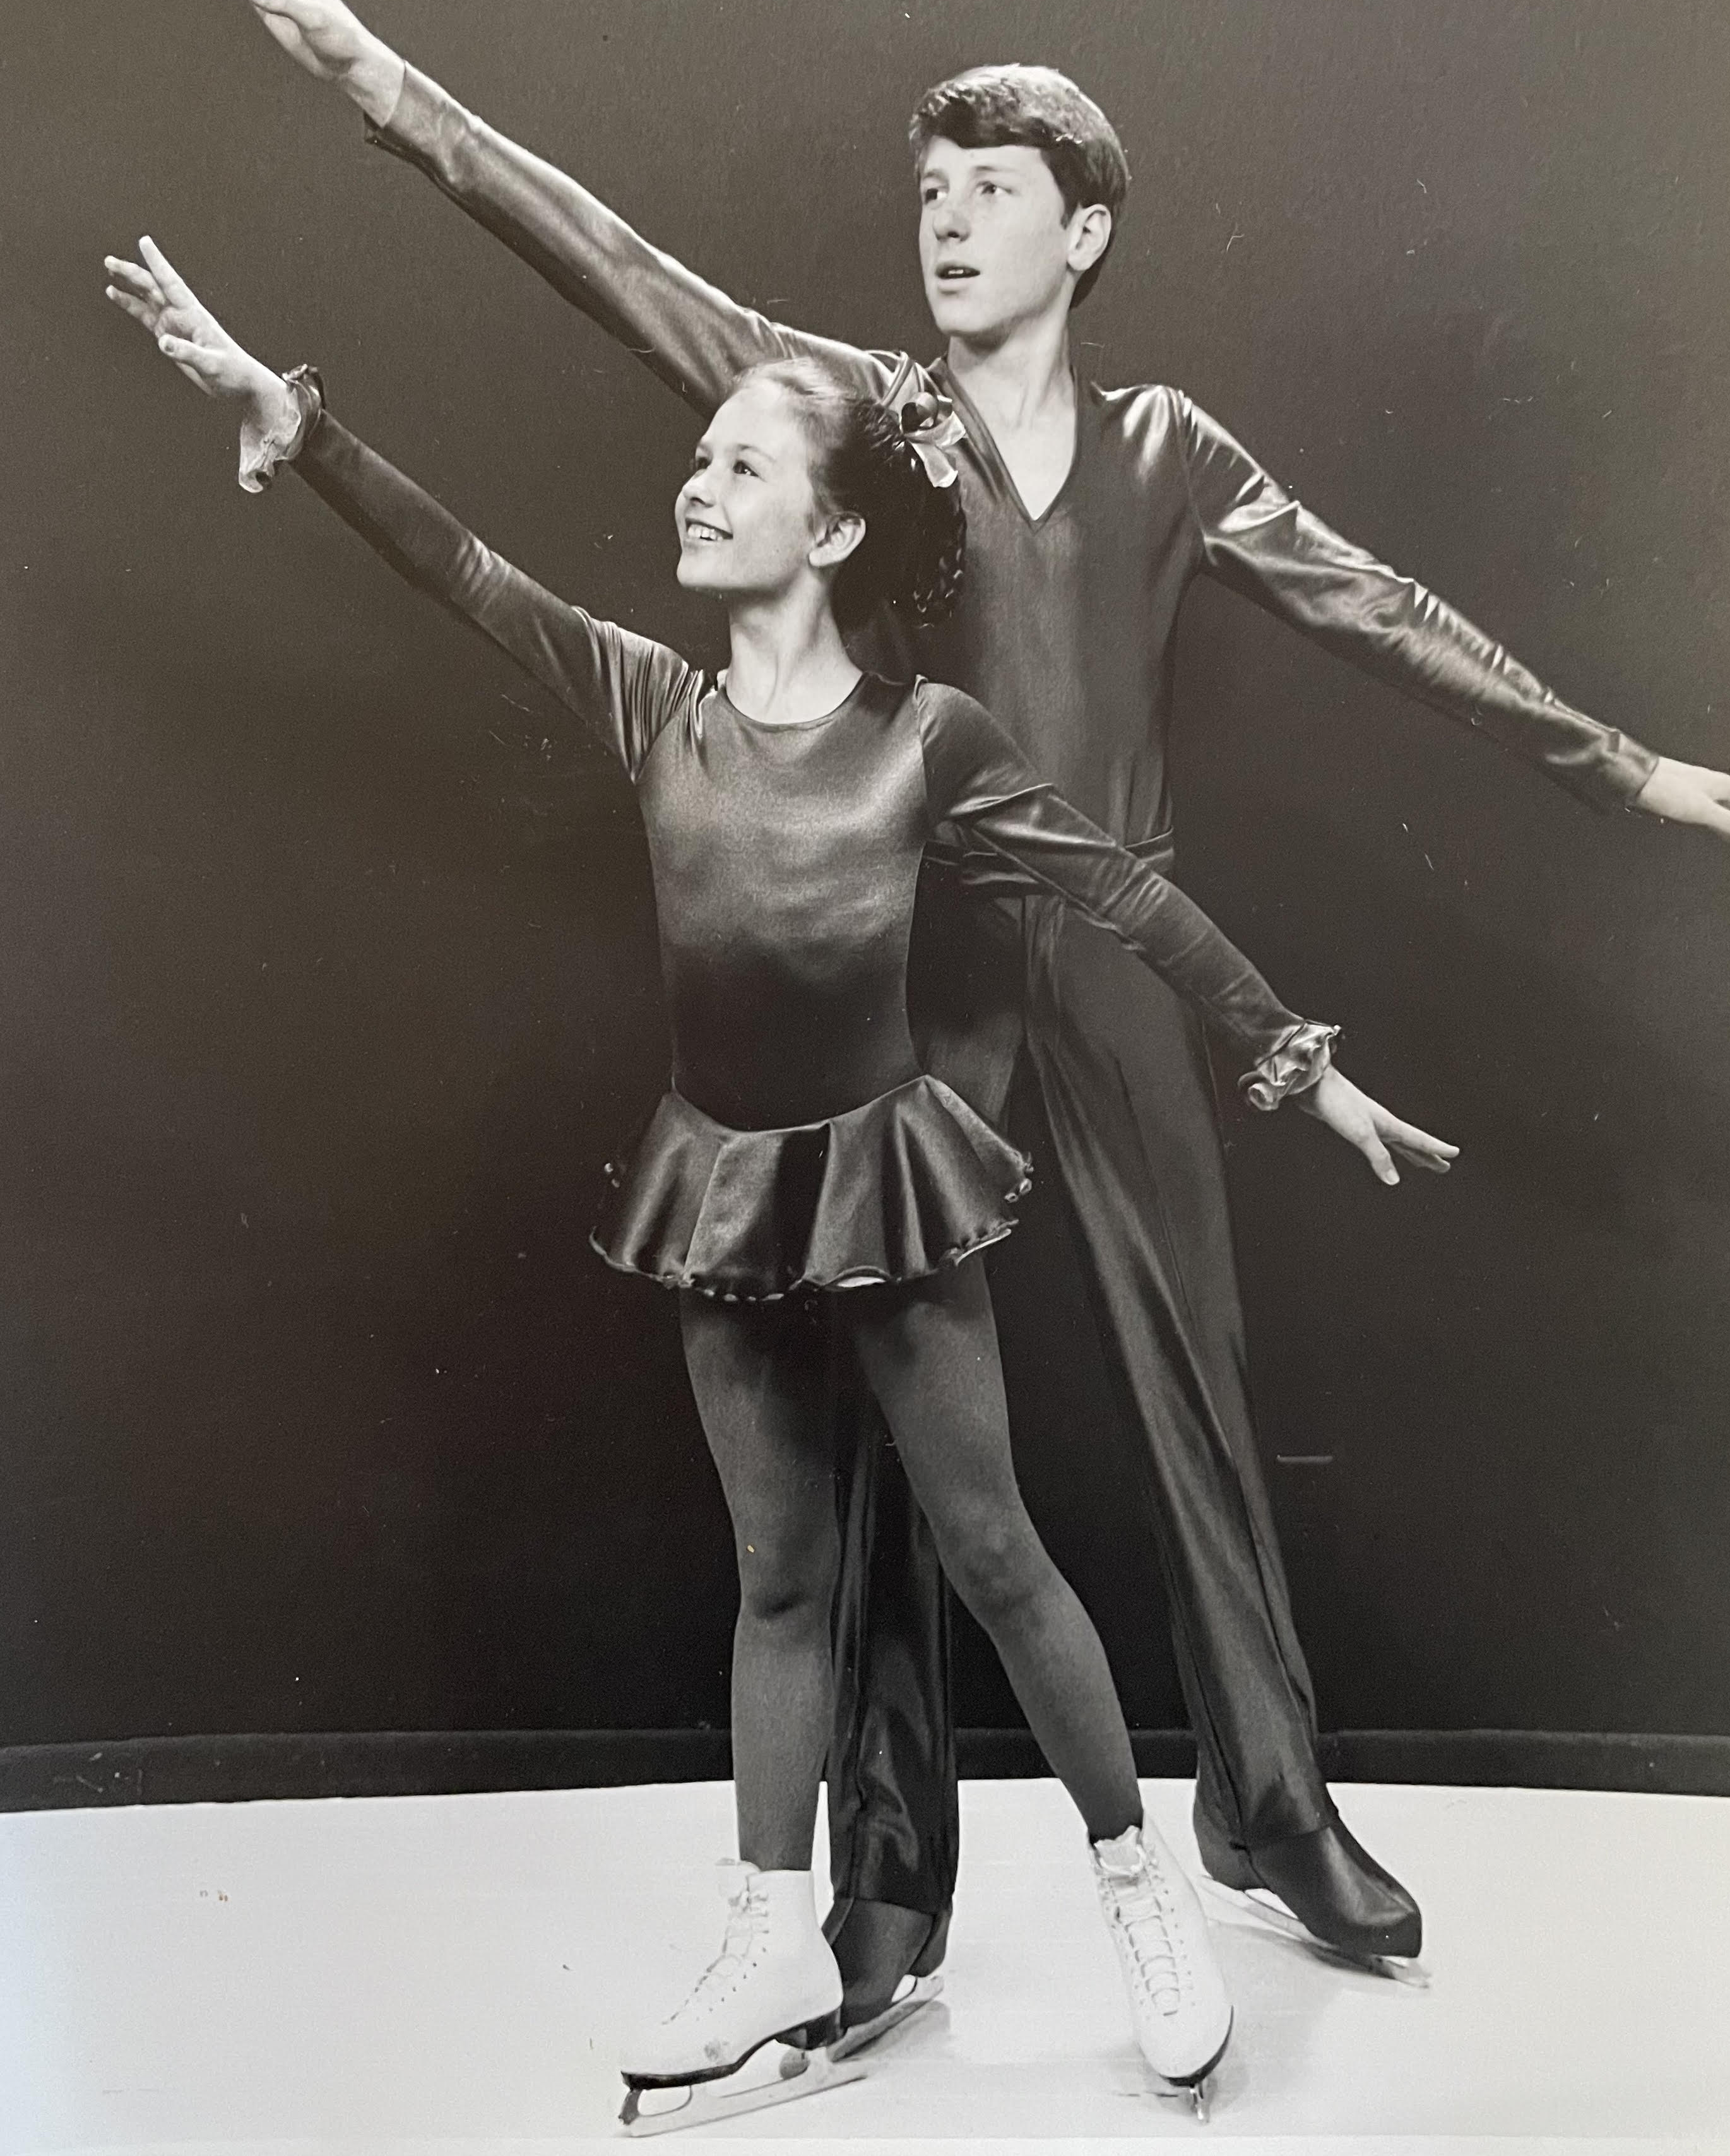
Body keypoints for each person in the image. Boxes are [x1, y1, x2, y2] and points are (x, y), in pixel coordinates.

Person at [166, 0, 1730, 2017]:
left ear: (1081, 230)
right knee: (863, 1451)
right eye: (927, 189)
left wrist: (1615, 768)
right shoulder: (857, 408)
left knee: (1194, 1382)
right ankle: (888, 1882)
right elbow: (605, 259)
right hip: (914, 963)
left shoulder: (1165, 451)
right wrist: (371, 80)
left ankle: (1271, 1804)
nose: (945, 220)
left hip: (1114, 945)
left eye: (992, 190)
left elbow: (1387, 612)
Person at [104, 236, 1456, 2118]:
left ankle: (1139, 1885)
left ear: (829, 536)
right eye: (704, 455)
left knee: (991, 1549)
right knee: (779, 1579)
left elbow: (1118, 889)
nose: (699, 480)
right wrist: (293, 417)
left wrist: (1292, 1060)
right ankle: (766, 1926)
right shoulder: (658, 704)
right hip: (724, 1185)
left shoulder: (927, 741)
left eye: (744, 464)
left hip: (885, 1179)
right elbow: (468, 571)